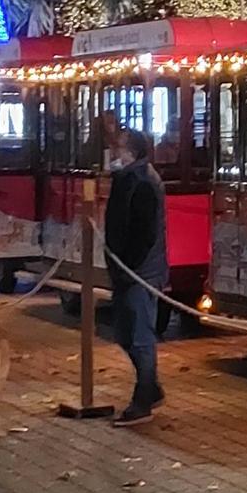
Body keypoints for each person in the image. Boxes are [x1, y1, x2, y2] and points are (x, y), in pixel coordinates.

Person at [103, 128, 167, 426]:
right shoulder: (127, 178)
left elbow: (145, 233)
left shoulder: (142, 182)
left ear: (132, 152)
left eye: (117, 147)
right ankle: (150, 386)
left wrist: (128, 266)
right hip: (126, 270)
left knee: (140, 336)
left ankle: (143, 398)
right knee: (124, 333)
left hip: (138, 272)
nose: (113, 152)